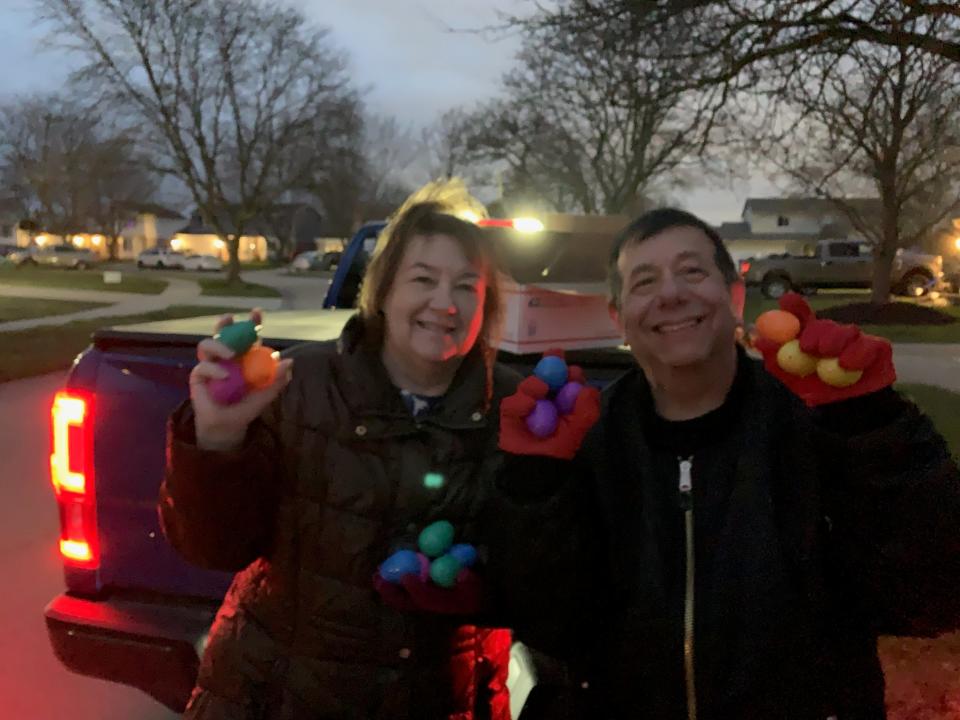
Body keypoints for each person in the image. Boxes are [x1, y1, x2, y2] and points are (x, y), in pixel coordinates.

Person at [491, 207, 960, 719]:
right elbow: (547, 622)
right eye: (644, 281)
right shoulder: (585, 442)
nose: (671, 293)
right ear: (617, 315)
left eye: (692, 271)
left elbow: (929, 598)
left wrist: (875, 428)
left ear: (735, 297)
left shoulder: (818, 427)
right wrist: (536, 487)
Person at [159, 181, 520, 719]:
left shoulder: (514, 411)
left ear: (486, 304)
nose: (444, 304)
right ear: (383, 291)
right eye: (423, 279)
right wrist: (216, 441)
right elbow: (214, 548)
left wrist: (484, 589)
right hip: (273, 699)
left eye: (467, 286)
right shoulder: (296, 382)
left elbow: (541, 575)